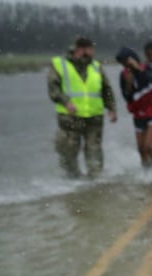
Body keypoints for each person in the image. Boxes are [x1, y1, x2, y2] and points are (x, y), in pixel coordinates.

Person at [47, 36, 117, 179]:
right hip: (70, 117)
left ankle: (95, 182)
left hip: (94, 116)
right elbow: (53, 89)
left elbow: (106, 89)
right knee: (68, 150)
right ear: (80, 50)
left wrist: (111, 108)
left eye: (92, 50)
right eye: (89, 50)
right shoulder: (60, 65)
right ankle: (72, 180)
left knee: (94, 150)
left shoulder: (96, 67)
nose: (92, 53)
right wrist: (66, 102)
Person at [115, 47, 152, 172]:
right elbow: (126, 97)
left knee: (148, 145)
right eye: (123, 64)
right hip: (138, 114)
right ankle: (146, 174)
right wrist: (129, 86)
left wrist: (138, 70)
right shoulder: (124, 75)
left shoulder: (147, 69)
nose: (125, 65)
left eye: (126, 62)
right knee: (141, 148)